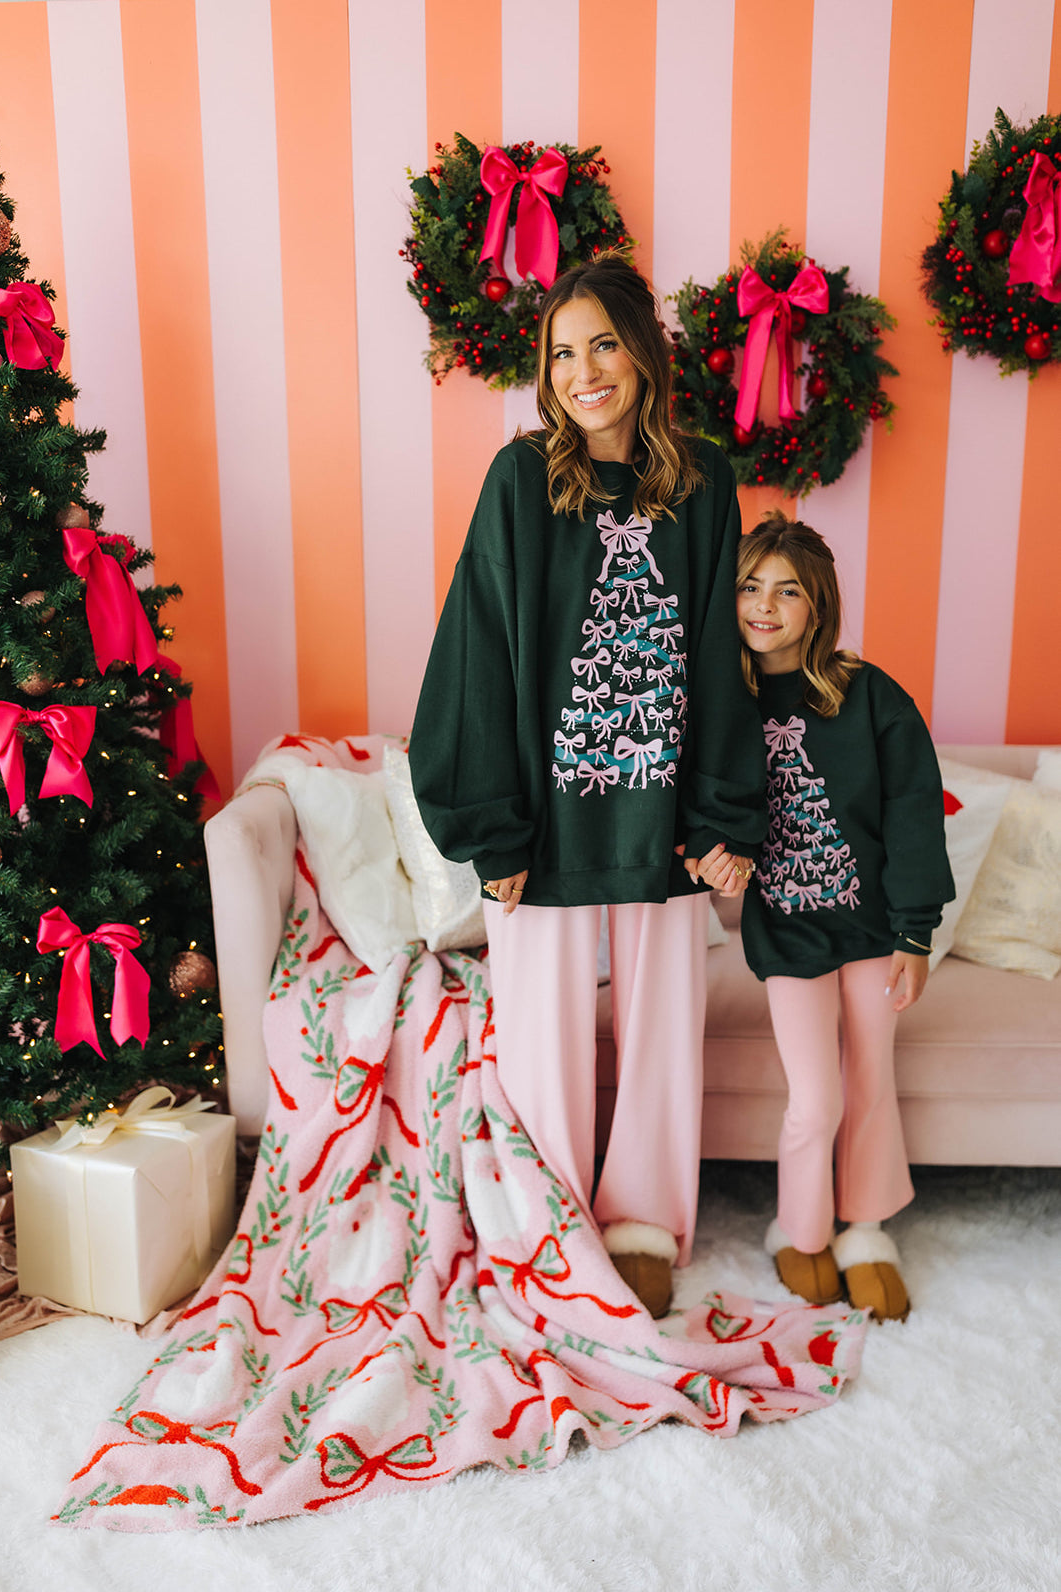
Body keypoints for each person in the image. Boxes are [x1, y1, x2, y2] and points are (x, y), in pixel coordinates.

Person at [409, 251, 765, 1317]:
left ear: (643, 352)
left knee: (665, 1014)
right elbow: (475, 649)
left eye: (601, 343)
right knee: (541, 1026)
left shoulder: (701, 483)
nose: (582, 370)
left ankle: (646, 1219)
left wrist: (717, 814)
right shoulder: (521, 480)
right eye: (561, 352)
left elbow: (719, 652)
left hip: (662, 814)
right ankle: (547, 1224)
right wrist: (492, 831)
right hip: (545, 824)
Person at [735, 512, 954, 1322]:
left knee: (870, 1080)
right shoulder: (725, 702)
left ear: (817, 605)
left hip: (871, 931)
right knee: (814, 1100)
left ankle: (864, 1229)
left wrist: (914, 932)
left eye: (787, 590)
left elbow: (911, 811)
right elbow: (703, 808)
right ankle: (799, 1230)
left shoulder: (869, 696)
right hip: (788, 933)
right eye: (749, 587)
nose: (765, 605)